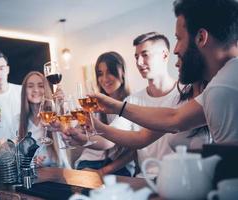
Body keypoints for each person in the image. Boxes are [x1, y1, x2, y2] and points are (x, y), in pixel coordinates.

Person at [91, 0, 238, 144]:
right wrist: (115, 107)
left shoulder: (222, 87)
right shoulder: (221, 83)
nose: (176, 50)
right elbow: (175, 118)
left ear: (201, 37)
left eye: (179, 39)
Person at [69, 32, 210, 176]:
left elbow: (170, 121)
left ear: (165, 55)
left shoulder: (188, 94)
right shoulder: (132, 101)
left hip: (181, 179)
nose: (139, 62)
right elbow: (114, 141)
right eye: (136, 57)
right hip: (144, 178)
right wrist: (82, 137)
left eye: (145, 55)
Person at [72, 51, 136, 176]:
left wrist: (103, 171)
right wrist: (69, 131)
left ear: (122, 72)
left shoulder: (132, 105)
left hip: (118, 166)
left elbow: (133, 151)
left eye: (110, 72)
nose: (104, 79)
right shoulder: (93, 104)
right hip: (89, 162)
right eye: (100, 74)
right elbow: (76, 133)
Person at [13, 71, 68, 167]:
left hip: (61, 172)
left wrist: (61, 105)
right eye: (30, 86)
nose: (35, 90)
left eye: (40, 86)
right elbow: (15, 155)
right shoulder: (17, 121)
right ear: (24, 91)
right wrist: (29, 161)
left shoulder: (58, 114)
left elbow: (71, 135)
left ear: (46, 89)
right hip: (35, 176)